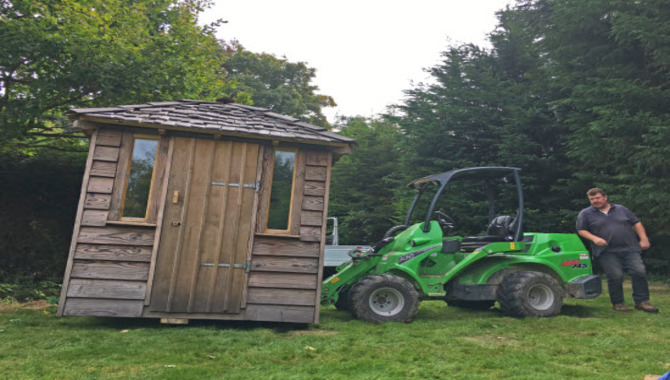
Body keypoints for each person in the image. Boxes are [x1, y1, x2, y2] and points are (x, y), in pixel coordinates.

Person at [576, 188, 658, 313]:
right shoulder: (585, 213)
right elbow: (581, 230)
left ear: (605, 197)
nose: (595, 201)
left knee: (639, 272)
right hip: (606, 251)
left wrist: (644, 238)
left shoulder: (621, 209)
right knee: (615, 275)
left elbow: (636, 223)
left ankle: (642, 302)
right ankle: (618, 303)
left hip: (629, 248)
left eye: (597, 198)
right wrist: (594, 238)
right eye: (592, 199)